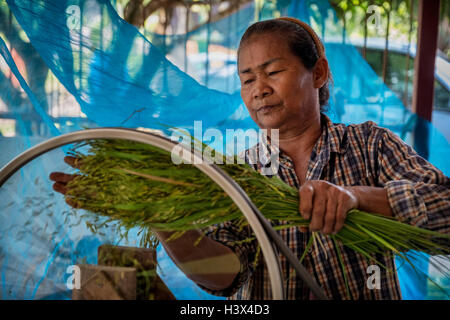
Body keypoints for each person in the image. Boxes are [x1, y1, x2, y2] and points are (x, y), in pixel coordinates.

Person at [50, 17, 450, 300]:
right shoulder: (235, 179)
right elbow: (223, 276)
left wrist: (359, 197)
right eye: (246, 79)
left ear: (320, 72)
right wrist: (158, 214)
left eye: (272, 71)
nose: (258, 90)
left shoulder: (369, 145)